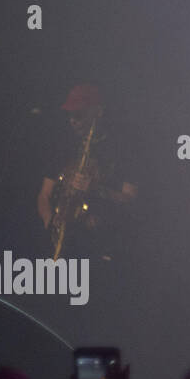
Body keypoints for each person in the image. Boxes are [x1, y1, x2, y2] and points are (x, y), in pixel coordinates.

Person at [36, 83, 138, 262]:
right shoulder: (63, 146)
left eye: (79, 114)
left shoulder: (120, 149)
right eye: (70, 115)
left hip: (97, 247)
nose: (73, 120)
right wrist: (50, 221)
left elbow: (130, 199)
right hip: (59, 242)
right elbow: (44, 194)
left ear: (97, 112)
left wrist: (96, 189)